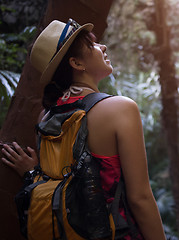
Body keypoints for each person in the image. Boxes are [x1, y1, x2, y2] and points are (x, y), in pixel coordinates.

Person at [1, 18, 166, 240]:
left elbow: (61, 184)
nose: (103, 47)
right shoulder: (120, 108)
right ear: (76, 64)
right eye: (93, 45)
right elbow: (140, 198)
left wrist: (32, 173)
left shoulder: (46, 118)